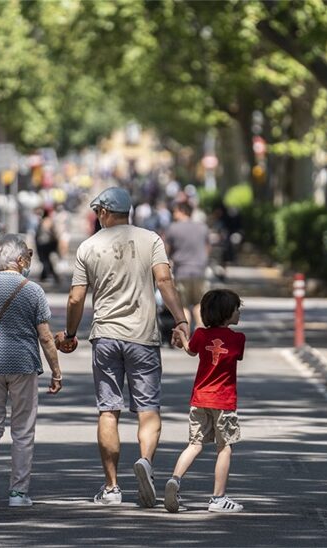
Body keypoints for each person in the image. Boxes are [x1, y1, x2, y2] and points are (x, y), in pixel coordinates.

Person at [55, 186, 189, 508]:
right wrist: (181, 321)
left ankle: (112, 487)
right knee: (148, 408)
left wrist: (71, 333)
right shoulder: (150, 239)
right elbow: (165, 282)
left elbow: (76, 297)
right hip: (143, 336)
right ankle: (144, 461)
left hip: (105, 337)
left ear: (103, 212)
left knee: (108, 410)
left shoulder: (89, 246)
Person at [0, 233, 63, 507]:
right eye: (27, 256)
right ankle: (18, 492)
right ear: (18, 260)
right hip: (23, 365)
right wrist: (56, 370)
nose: (29, 260)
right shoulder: (33, 291)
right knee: (23, 429)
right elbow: (45, 336)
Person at [166, 289, 246, 514]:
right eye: (237, 309)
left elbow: (191, 350)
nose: (239, 313)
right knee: (224, 447)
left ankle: (175, 479)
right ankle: (218, 498)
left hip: (199, 399)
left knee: (195, 444)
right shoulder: (238, 339)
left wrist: (181, 335)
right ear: (227, 313)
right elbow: (235, 355)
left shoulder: (201, 335)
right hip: (224, 402)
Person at [164, 202, 210, 330]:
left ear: (182, 211)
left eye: (175, 211)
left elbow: (166, 251)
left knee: (183, 305)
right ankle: (200, 331)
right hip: (200, 271)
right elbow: (207, 248)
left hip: (181, 271)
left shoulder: (173, 228)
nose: (174, 214)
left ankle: (185, 334)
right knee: (198, 303)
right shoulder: (203, 227)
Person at [34, 208, 60, 284]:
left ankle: (46, 276)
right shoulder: (48, 221)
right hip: (47, 243)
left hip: (44, 244)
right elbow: (54, 233)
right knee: (46, 260)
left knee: (45, 260)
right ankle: (47, 276)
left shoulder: (44, 221)